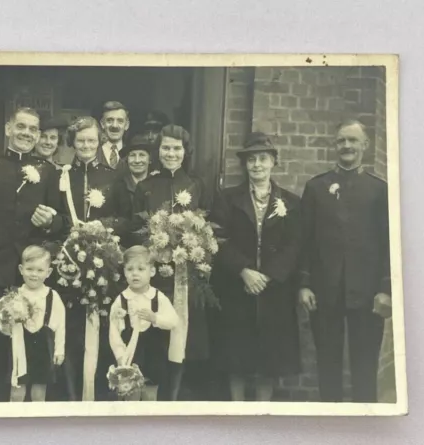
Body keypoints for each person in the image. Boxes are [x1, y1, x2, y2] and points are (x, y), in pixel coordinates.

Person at [0, 107, 64, 402]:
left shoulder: (48, 171)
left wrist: (50, 221)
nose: (26, 133)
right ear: (8, 128)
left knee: (30, 354)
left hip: (31, 278)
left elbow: (60, 225)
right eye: (21, 126)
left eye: (33, 129)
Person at [298, 119, 392, 403]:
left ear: (365, 145)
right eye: (341, 141)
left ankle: (367, 427)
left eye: (352, 140)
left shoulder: (379, 189)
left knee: (365, 368)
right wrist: (304, 284)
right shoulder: (316, 188)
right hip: (325, 292)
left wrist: (386, 289)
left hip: (368, 294)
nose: (346, 146)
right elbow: (305, 240)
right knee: (328, 367)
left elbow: (390, 242)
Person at [209, 132, 301, 401]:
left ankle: (263, 409)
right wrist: (244, 270)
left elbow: (295, 245)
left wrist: (269, 276)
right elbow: (217, 237)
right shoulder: (227, 199)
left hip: (273, 291)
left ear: (273, 162)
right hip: (237, 287)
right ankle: (237, 408)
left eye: (263, 158)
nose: (257, 165)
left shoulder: (291, 203)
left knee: (268, 360)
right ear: (245, 164)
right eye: (251, 160)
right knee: (236, 355)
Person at [132, 124, 211, 401]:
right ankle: (151, 397)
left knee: (180, 333)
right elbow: (135, 228)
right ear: (159, 151)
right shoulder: (145, 186)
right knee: (154, 335)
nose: (171, 153)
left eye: (176, 148)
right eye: (166, 147)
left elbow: (206, 226)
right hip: (154, 274)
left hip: (184, 276)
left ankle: (173, 398)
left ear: (185, 152)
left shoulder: (197, 184)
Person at [58, 116, 132, 401]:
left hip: (105, 265)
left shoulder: (113, 176)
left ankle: (101, 393)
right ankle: (71, 395)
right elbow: (57, 215)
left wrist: (106, 224)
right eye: (80, 141)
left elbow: (127, 218)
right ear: (72, 143)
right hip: (71, 263)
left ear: (100, 141)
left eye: (91, 140)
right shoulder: (63, 175)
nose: (86, 145)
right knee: (74, 328)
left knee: (103, 328)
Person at [109, 246, 179, 401]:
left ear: (152, 272)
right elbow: (114, 333)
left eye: (141, 269)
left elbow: (174, 321)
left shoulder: (157, 297)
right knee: (130, 395)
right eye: (130, 269)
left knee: (150, 396)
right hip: (130, 357)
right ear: (124, 272)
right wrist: (121, 357)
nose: (135, 273)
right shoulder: (121, 300)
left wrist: (155, 319)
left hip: (153, 354)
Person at [9, 245, 66, 402]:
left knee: (39, 391)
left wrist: (59, 350)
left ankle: (37, 424)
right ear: (21, 269)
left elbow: (60, 326)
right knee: (17, 390)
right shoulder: (15, 295)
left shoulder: (52, 296)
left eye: (40, 270)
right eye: (29, 269)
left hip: (42, 347)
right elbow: (4, 326)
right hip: (20, 347)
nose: (34, 274)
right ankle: (13, 423)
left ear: (48, 273)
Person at [119, 133, 155, 212]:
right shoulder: (119, 187)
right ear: (127, 159)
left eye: (142, 155)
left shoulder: (156, 184)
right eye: (132, 155)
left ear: (149, 159)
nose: (137, 160)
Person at [98, 101, 130, 170]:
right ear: (102, 124)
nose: (114, 125)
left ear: (126, 125)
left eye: (120, 121)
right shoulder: (93, 154)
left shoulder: (131, 155)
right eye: (109, 120)